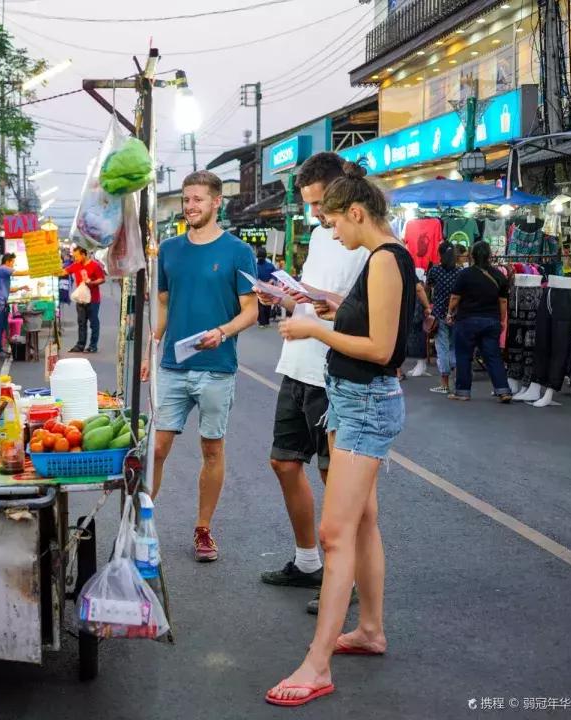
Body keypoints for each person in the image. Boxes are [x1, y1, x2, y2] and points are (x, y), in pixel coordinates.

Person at [268, 162, 414, 707]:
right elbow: (372, 325)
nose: (330, 233)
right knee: (363, 522)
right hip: (355, 403)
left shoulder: (383, 260)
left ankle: (317, 664)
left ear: (356, 213)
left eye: (333, 222)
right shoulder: (384, 259)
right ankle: (370, 630)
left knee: (334, 534)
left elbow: (380, 350)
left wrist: (314, 328)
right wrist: (330, 307)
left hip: (364, 407)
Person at [254, 152, 369, 615]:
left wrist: (327, 304)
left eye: (321, 204)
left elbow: (366, 310)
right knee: (284, 463)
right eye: (311, 206)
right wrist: (286, 297)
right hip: (297, 362)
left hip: (333, 370)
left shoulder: (365, 241)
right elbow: (314, 291)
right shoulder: (323, 236)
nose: (318, 216)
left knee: (335, 479)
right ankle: (307, 563)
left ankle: (347, 579)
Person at [140, 170, 258, 562]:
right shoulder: (170, 250)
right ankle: (140, 522)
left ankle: (203, 529)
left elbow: (251, 311)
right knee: (156, 447)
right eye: (187, 199)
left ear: (216, 202)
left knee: (212, 449)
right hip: (173, 365)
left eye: (198, 199)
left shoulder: (239, 252)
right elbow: (162, 304)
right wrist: (151, 348)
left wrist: (223, 332)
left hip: (216, 366)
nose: (190, 206)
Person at [446, 240, 512, 402]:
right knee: (493, 356)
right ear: (490, 256)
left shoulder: (465, 274)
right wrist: (502, 320)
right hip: (491, 320)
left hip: (467, 320)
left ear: (472, 255)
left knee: (464, 356)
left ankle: (462, 392)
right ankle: (503, 390)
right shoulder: (499, 275)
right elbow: (503, 301)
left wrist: (449, 313)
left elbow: (455, 297)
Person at [426, 242, 461, 393]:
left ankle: (445, 384)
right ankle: (457, 380)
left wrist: (428, 306)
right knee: (454, 347)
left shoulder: (435, 271)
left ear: (439, 254)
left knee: (442, 349)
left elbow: (428, 288)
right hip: (456, 314)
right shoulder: (460, 272)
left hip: (439, 313)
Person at [61, 246, 107, 353]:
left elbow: (102, 279)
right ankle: (80, 345)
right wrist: (52, 270)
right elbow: (65, 272)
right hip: (80, 298)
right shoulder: (76, 265)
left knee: (93, 323)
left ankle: (93, 345)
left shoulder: (95, 266)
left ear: (84, 254)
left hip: (93, 299)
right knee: (81, 322)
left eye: (77, 256)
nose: (75, 259)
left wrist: (92, 283)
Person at [0, 253, 21, 357]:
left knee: (1, 326)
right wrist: (35, 271)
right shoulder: (3, 269)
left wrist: (21, 287)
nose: (13, 265)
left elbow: (8, 289)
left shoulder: (2, 272)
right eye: (13, 263)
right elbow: (19, 273)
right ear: (8, 262)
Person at [255, 246, 276, 328]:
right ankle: (265, 321)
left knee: (261, 304)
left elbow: (254, 277)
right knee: (267, 304)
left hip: (260, 287)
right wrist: (269, 282)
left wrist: (262, 283)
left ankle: (262, 322)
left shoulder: (255, 266)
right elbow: (274, 276)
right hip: (268, 287)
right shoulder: (270, 266)